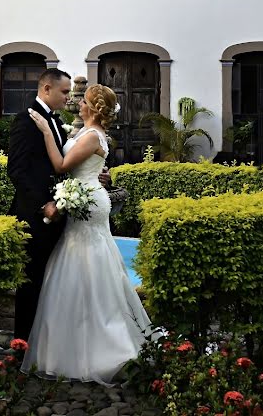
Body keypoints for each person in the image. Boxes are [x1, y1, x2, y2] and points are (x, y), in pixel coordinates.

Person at [20, 83, 156, 385]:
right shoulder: (85, 133)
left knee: (87, 261)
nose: (77, 102)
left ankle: (105, 346)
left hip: (88, 204)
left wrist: (45, 131)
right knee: (78, 260)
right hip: (86, 194)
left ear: (94, 108)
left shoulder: (93, 135)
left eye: (83, 100)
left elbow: (61, 164)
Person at [7, 68, 73, 343]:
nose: (68, 97)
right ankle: (23, 343)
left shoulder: (56, 123)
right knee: (31, 282)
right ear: (46, 89)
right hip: (35, 216)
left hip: (58, 212)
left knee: (53, 279)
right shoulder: (25, 121)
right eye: (65, 92)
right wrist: (42, 205)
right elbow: (17, 170)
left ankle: (45, 341)